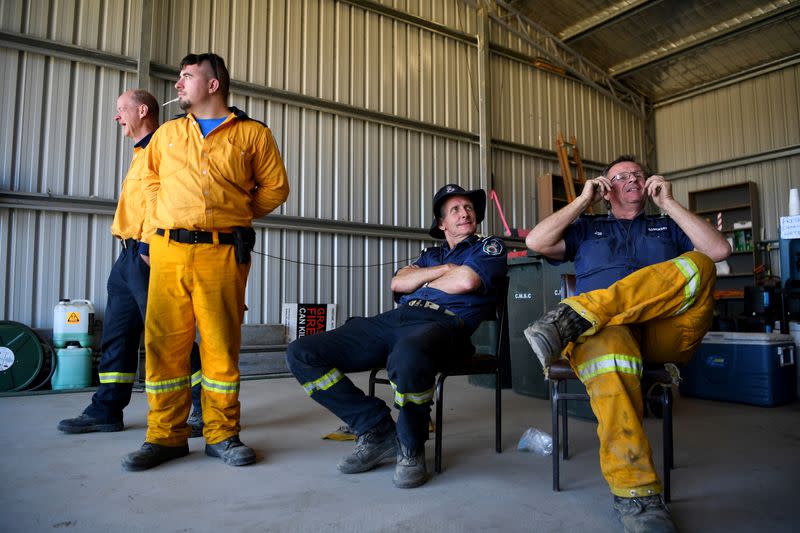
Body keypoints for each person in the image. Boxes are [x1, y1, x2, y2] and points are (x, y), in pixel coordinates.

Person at [524, 155, 730, 532]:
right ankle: (637, 495)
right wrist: (583, 201)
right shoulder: (587, 227)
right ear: (606, 189)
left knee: (700, 265)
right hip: (606, 335)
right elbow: (536, 241)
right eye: (620, 177)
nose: (632, 179)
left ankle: (576, 315)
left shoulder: (666, 226)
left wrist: (668, 202)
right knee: (610, 354)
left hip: (662, 333)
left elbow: (718, 251)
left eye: (638, 174)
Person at [122, 53, 289, 471]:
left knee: (219, 347)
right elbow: (149, 178)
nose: (178, 84)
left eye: (187, 77)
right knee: (164, 347)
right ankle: (164, 436)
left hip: (222, 253)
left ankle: (222, 435)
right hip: (168, 252)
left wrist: (235, 211)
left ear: (213, 85)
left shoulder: (253, 135)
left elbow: (275, 188)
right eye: (178, 77)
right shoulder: (168, 134)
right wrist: (164, 217)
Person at [286, 184, 507, 488]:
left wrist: (422, 281)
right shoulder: (432, 255)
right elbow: (398, 283)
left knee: (408, 354)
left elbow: (467, 280)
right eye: (454, 209)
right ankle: (375, 428)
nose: (464, 213)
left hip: (446, 324)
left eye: (468, 207)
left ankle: (410, 445)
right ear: (442, 224)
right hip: (397, 319)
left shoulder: (488, 247)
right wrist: (443, 270)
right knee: (302, 352)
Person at [57, 89, 204, 438]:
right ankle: (106, 410)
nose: (116, 117)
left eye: (121, 109)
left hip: (148, 254)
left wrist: (150, 245)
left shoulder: (165, 148)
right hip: (126, 257)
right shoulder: (141, 153)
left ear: (142, 110)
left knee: (172, 338)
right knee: (117, 337)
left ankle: (203, 409)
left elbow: (172, 200)